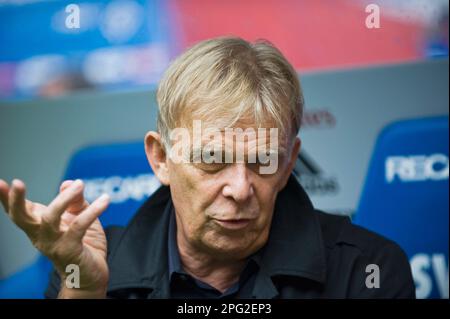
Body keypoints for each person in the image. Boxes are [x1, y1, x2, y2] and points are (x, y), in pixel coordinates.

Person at [0, 37, 415, 299]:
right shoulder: (93, 266)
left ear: (289, 163)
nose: (239, 188)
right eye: (212, 160)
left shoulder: (366, 271)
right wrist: (87, 290)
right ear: (161, 158)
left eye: (263, 160)